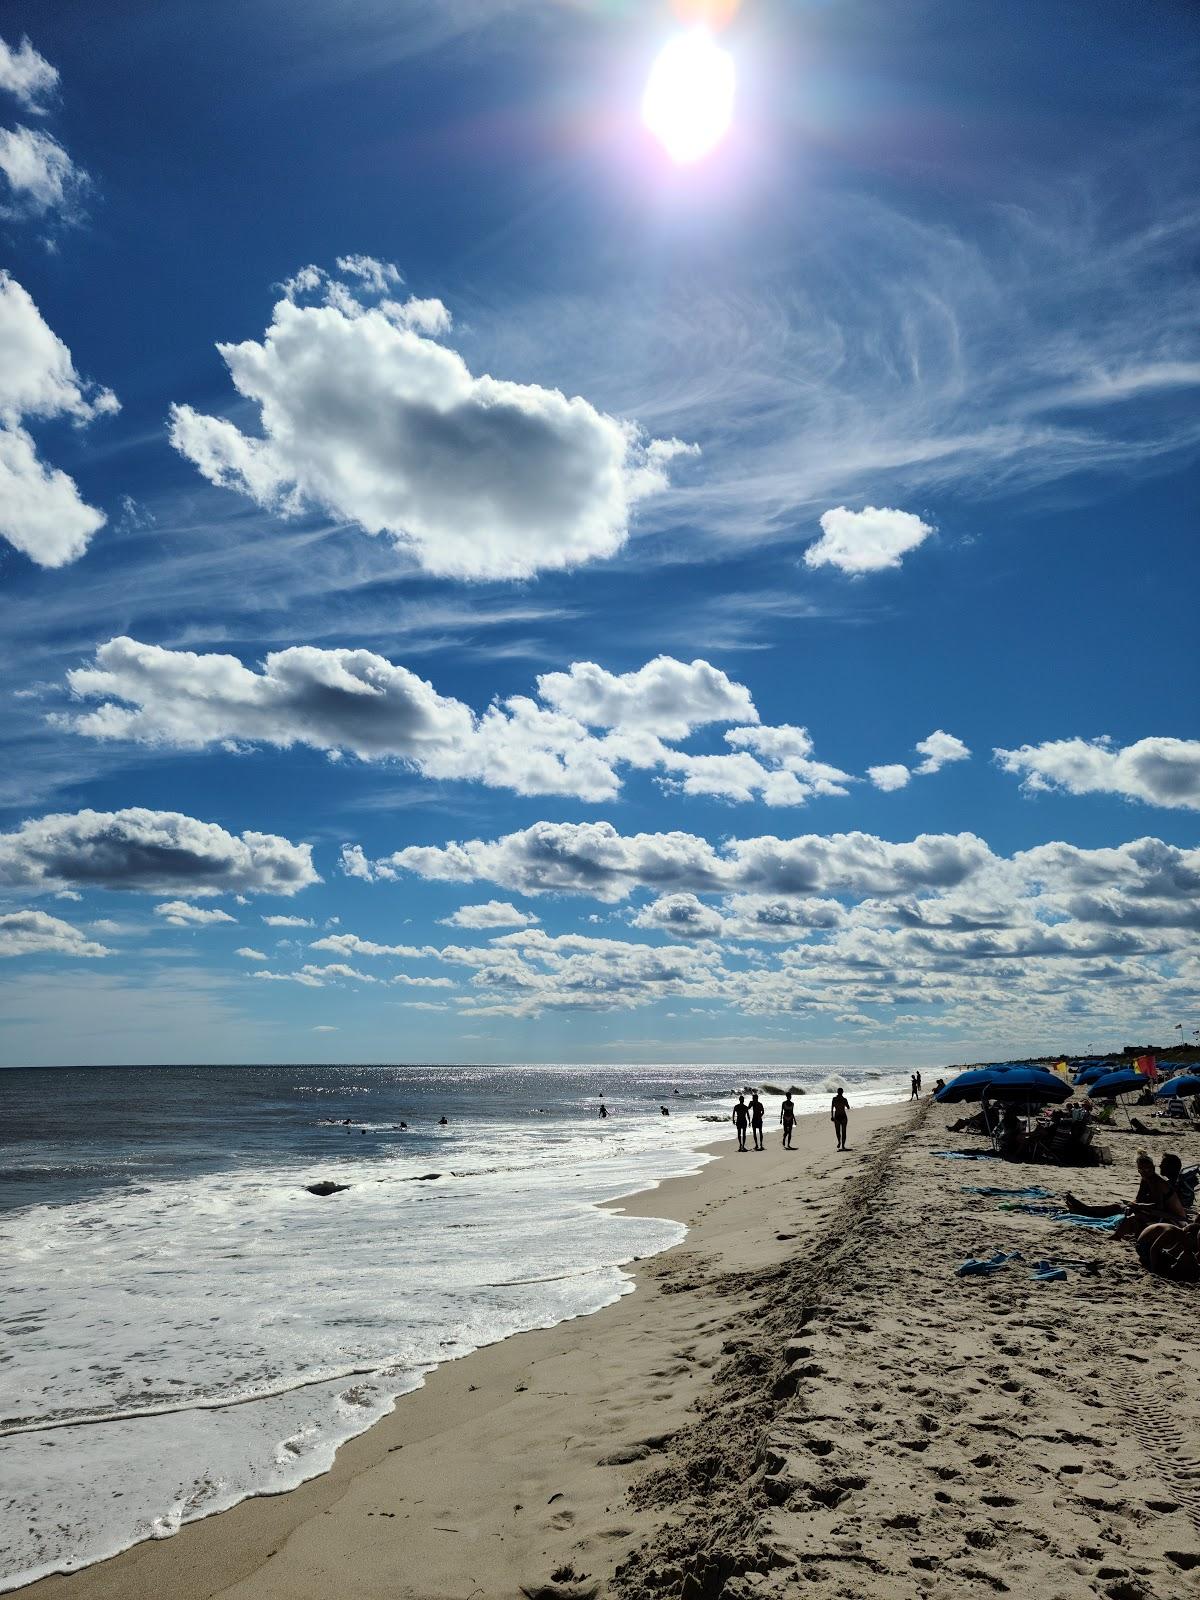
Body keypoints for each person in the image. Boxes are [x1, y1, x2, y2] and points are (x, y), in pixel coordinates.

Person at [1063, 1151, 1185, 1239]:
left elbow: (1159, 1206)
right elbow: (1139, 1197)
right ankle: (1085, 1209)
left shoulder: (1158, 1182)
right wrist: (1133, 1205)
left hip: (1174, 1219)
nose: (1159, 1166)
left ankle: (1113, 1233)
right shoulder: (1146, 1179)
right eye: (1142, 1170)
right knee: (1118, 1207)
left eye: (1149, 1169)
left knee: (1131, 1215)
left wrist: (1138, 1206)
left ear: (1153, 1168)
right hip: (1160, 1212)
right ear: (1138, 1170)